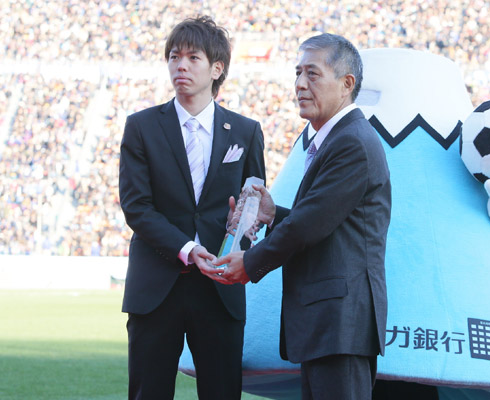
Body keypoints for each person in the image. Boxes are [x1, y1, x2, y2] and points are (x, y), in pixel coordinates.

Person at [215, 33, 391, 400]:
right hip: (328, 323)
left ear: (347, 84)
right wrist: (272, 214)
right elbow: (326, 221)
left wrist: (250, 262)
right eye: (297, 73)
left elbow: (309, 224)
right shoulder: (336, 138)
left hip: (340, 322)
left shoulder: (351, 142)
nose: (299, 84)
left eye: (312, 73)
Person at [118, 16, 265, 399]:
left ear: (217, 68)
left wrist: (246, 230)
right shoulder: (141, 127)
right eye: (174, 56)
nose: (180, 65)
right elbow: (137, 207)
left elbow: (254, 204)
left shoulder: (246, 131)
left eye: (192, 57)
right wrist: (187, 248)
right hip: (157, 285)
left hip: (220, 287)